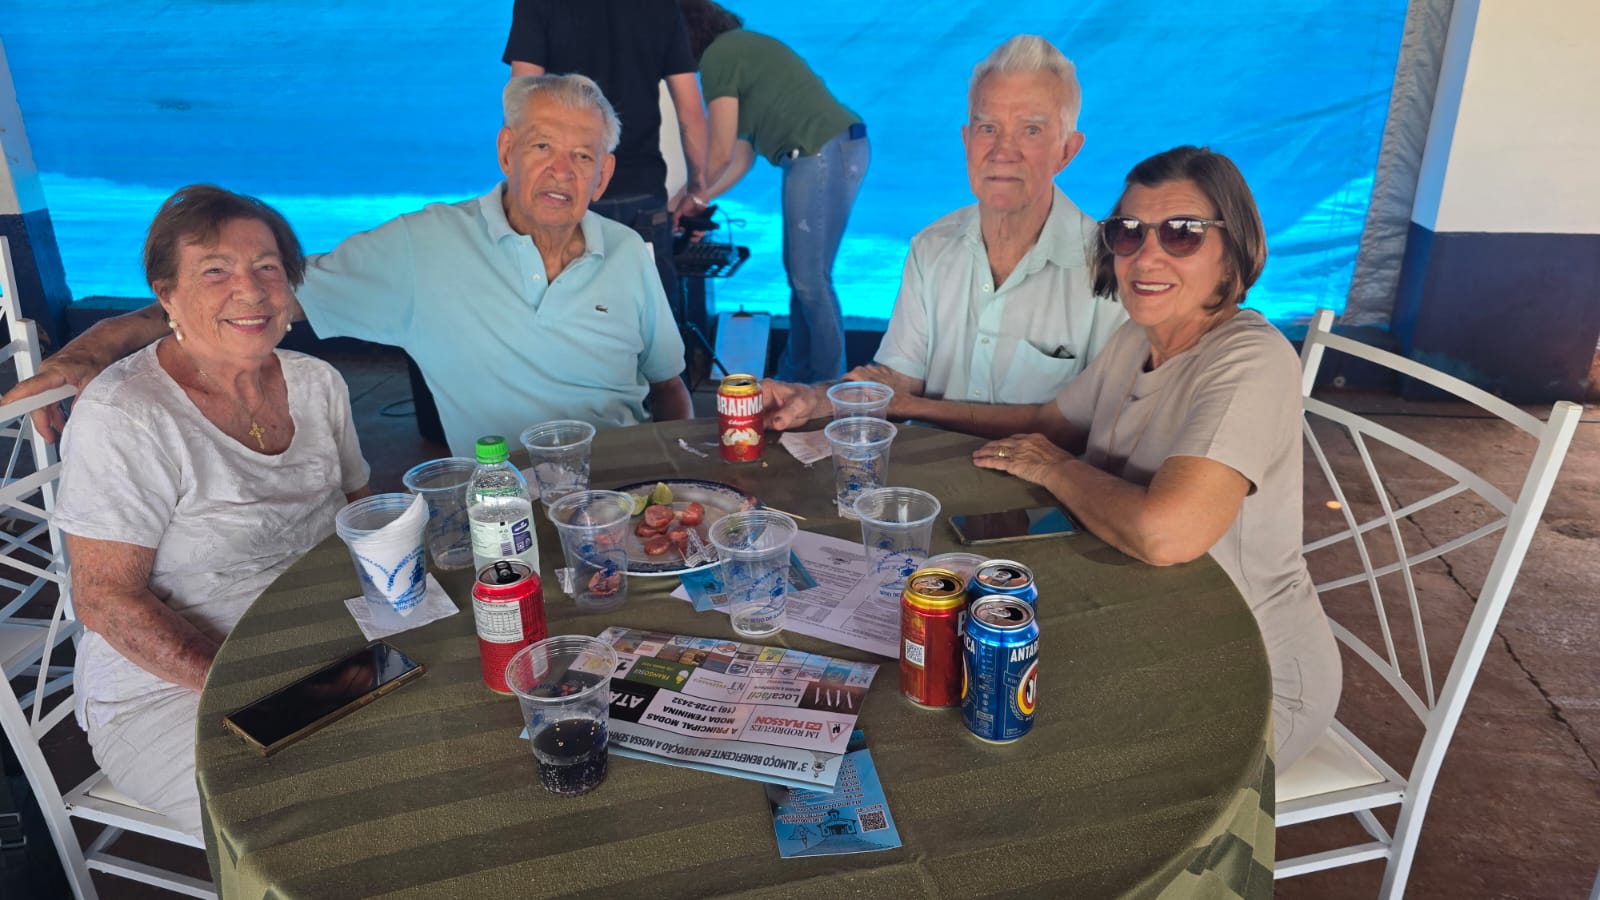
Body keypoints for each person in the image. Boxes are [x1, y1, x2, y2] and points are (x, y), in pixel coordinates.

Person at [4, 74, 693, 455]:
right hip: (508, 506)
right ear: (507, 151)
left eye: (582, 156)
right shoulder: (425, 246)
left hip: (630, 495)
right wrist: (97, 344)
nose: (560, 171)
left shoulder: (627, 253)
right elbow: (258, 296)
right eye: (542, 147)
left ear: (603, 176)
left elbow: (668, 389)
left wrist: (680, 473)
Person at [966, 145, 1340, 768]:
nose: (1146, 255)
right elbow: (1046, 425)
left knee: (1035, 760)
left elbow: (1167, 535)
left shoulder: (1250, 359)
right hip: (1149, 628)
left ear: (1233, 251)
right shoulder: (1135, 338)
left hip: (1253, 675)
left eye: (1183, 233)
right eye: (1128, 232)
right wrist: (900, 404)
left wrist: (1054, 468)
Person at [53, 185, 371, 835]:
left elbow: (357, 508)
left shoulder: (316, 383)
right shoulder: (127, 413)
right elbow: (106, 600)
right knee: (330, 823)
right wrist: (250, 684)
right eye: (215, 271)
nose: (250, 290)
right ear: (166, 295)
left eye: (267, 267)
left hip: (315, 646)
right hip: (175, 688)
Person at [759, 35, 1127, 431]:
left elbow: (1098, 421)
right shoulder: (931, 247)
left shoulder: (1111, 264)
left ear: (1067, 150)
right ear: (967, 141)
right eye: (988, 128)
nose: (1002, 151)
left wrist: (911, 406)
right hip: (926, 470)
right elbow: (899, 378)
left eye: (1031, 130)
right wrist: (814, 399)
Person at [677, 0, 870, 383]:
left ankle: (828, 387)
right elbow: (741, 157)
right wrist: (697, 200)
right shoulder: (741, 49)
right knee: (803, 276)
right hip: (834, 149)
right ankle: (796, 378)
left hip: (820, 151)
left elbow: (720, 153)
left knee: (809, 278)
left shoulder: (718, 57)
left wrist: (689, 200)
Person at [503, 0, 711, 318]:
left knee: (565, 322)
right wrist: (697, 190)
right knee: (649, 325)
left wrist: (516, 190)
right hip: (642, 195)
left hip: (561, 192)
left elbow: (521, 102)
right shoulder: (662, 8)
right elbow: (691, 114)